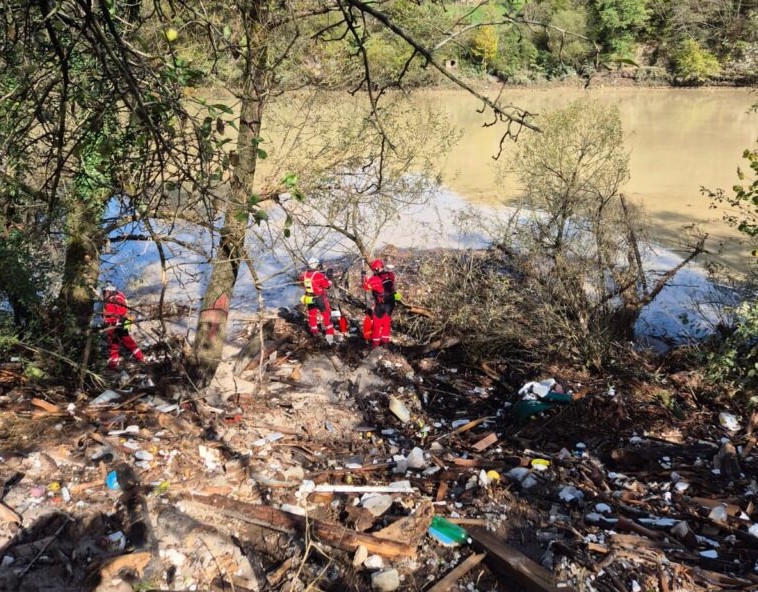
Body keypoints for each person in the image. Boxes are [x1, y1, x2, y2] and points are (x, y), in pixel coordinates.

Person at [102, 285, 144, 369]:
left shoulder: (113, 300)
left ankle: (140, 358)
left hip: (120, 322)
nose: (104, 294)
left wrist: (108, 322)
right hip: (124, 321)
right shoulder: (120, 296)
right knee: (120, 340)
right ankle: (139, 357)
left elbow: (114, 315)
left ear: (109, 291)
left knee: (119, 340)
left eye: (105, 292)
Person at [362, 258, 399, 349]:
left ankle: (375, 344)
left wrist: (363, 277)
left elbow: (366, 287)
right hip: (390, 304)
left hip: (380, 306)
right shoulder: (391, 275)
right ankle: (385, 343)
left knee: (377, 325)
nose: (374, 271)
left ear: (377, 268)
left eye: (374, 269)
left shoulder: (374, 279)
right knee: (386, 324)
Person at [299, 258, 335, 344]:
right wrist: (329, 279)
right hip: (319, 298)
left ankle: (314, 333)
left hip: (309, 297)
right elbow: (327, 286)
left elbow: (302, 284)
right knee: (326, 315)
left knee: (312, 315)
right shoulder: (318, 275)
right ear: (316, 265)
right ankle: (329, 336)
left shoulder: (303, 275)